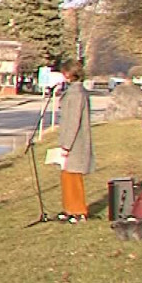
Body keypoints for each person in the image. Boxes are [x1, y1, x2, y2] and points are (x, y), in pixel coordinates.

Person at [57, 61, 94, 224]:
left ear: (68, 74)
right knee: (66, 176)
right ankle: (69, 208)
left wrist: (66, 145)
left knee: (74, 176)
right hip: (71, 140)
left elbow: (73, 122)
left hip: (75, 142)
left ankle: (79, 211)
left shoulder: (77, 94)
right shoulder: (73, 91)